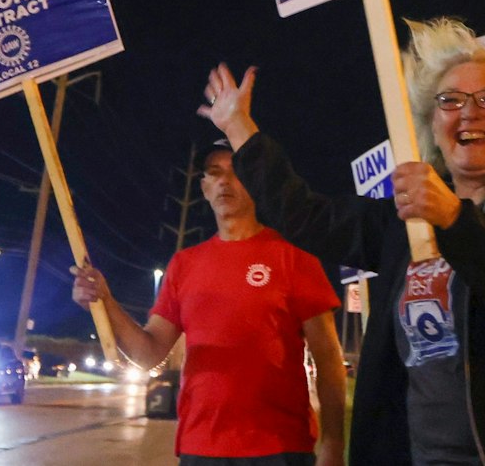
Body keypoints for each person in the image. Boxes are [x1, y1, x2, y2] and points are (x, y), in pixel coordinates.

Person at [200, 17, 485, 465]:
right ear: (431, 126)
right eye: (449, 101)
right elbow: (309, 215)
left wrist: (455, 218)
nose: (469, 111)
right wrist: (239, 130)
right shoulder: (406, 221)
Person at [72, 142, 345, 466]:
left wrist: (333, 444)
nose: (224, 182)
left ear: (256, 182)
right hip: (201, 448)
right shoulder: (184, 265)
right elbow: (148, 353)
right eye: (215, 173)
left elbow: (328, 360)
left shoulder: (294, 257)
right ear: (203, 187)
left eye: (237, 173)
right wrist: (104, 302)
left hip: (279, 447)